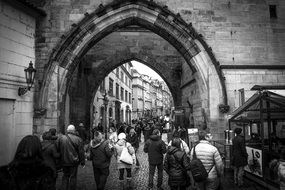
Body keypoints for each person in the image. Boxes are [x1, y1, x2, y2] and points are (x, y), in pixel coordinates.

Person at [58, 124, 85, 190]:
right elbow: (81, 152)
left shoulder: (61, 138)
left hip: (64, 161)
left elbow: (58, 149)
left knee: (65, 176)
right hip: (74, 161)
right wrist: (82, 162)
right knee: (73, 177)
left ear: (67, 130)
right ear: (74, 131)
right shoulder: (78, 139)